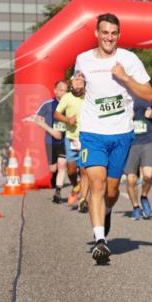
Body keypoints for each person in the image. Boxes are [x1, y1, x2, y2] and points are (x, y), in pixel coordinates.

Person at [74, 13, 152, 264]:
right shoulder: (83, 59)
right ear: (96, 34)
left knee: (111, 190)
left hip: (121, 133)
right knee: (96, 184)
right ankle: (100, 240)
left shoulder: (129, 60)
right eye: (105, 32)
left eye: (114, 33)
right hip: (92, 132)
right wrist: (77, 87)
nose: (109, 37)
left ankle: (107, 211)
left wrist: (125, 79)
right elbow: (79, 85)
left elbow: (148, 94)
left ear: (118, 35)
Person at [27, 80, 68, 202]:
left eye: (66, 90)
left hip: (64, 140)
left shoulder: (70, 104)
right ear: (55, 91)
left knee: (62, 165)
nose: (64, 92)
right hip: (50, 141)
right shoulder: (48, 105)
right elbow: (36, 119)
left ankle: (58, 192)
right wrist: (51, 131)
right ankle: (54, 176)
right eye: (61, 90)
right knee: (53, 168)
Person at [124, 92, 152, 219]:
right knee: (131, 179)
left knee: (148, 174)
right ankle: (135, 207)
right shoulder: (123, 93)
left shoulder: (150, 94)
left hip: (147, 140)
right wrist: (128, 116)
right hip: (129, 141)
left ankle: (144, 197)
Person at [55, 72, 88, 209]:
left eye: (81, 80)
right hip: (71, 138)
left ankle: (83, 200)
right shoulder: (67, 98)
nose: (79, 82)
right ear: (71, 83)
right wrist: (67, 119)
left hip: (87, 138)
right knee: (71, 170)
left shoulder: (89, 96)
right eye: (76, 80)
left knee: (84, 170)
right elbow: (56, 114)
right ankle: (75, 186)